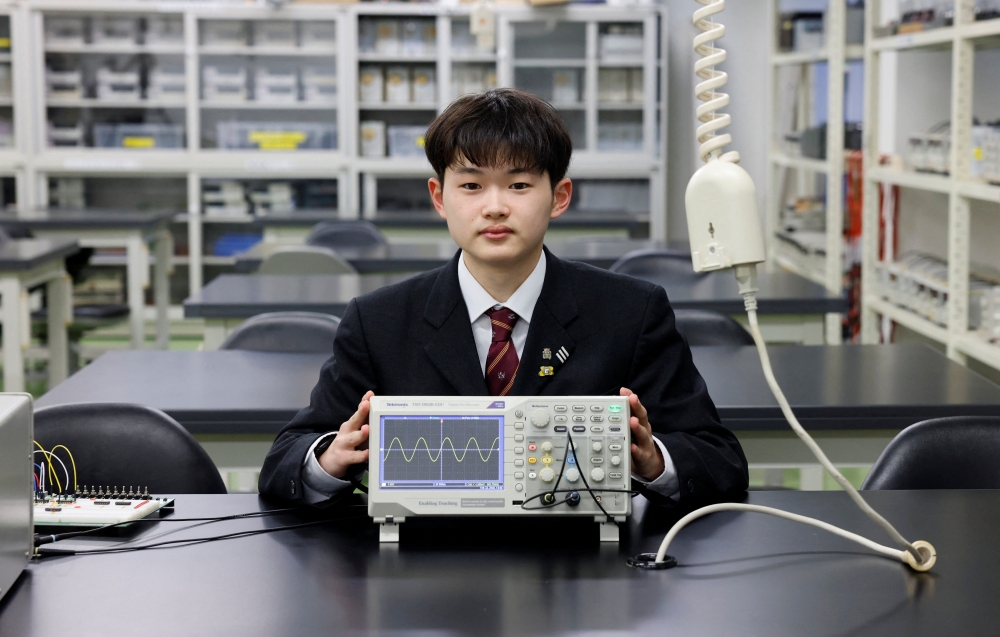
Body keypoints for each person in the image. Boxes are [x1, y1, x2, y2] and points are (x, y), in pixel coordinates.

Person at [258, 88, 748, 507]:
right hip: (421, 576)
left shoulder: (631, 312)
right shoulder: (380, 320)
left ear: (559, 196)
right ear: (438, 197)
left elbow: (720, 459)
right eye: (471, 185)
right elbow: (285, 460)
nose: (494, 207)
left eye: (518, 184)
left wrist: (652, 460)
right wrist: (330, 459)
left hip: (585, 577)